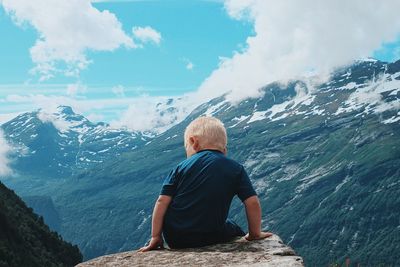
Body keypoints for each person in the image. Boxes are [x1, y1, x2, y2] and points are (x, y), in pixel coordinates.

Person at [139, 116, 272, 252]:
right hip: (212, 235)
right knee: (232, 226)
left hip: (176, 238)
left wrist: (156, 236)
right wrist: (255, 233)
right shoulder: (236, 169)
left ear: (193, 142)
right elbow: (252, 202)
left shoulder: (180, 168)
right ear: (224, 150)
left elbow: (162, 201)